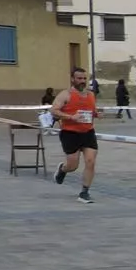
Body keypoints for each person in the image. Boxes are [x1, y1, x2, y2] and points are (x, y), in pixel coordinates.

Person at [50, 67, 100, 205]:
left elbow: (92, 111)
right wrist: (71, 117)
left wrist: (97, 114)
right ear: (72, 79)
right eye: (79, 78)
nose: (82, 81)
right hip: (70, 133)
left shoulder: (91, 95)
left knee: (90, 161)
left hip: (88, 133)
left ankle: (84, 192)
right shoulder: (65, 95)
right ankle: (63, 169)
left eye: (84, 78)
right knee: (73, 166)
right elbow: (54, 111)